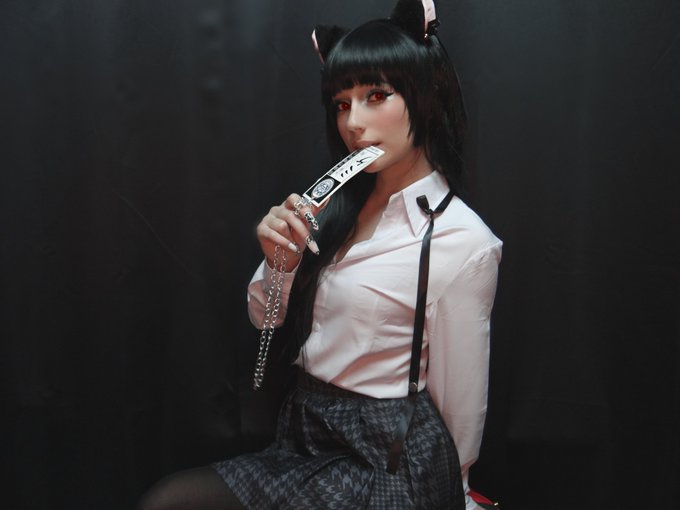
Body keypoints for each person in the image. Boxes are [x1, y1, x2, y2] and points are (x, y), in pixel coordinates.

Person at [137, 0, 501, 508]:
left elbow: (460, 406)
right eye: (341, 103)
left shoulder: (462, 241)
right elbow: (266, 318)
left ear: (423, 95)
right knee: (170, 500)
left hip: (385, 458)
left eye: (376, 95)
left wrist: (454, 494)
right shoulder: (331, 206)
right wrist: (279, 262)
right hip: (305, 430)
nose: (353, 122)